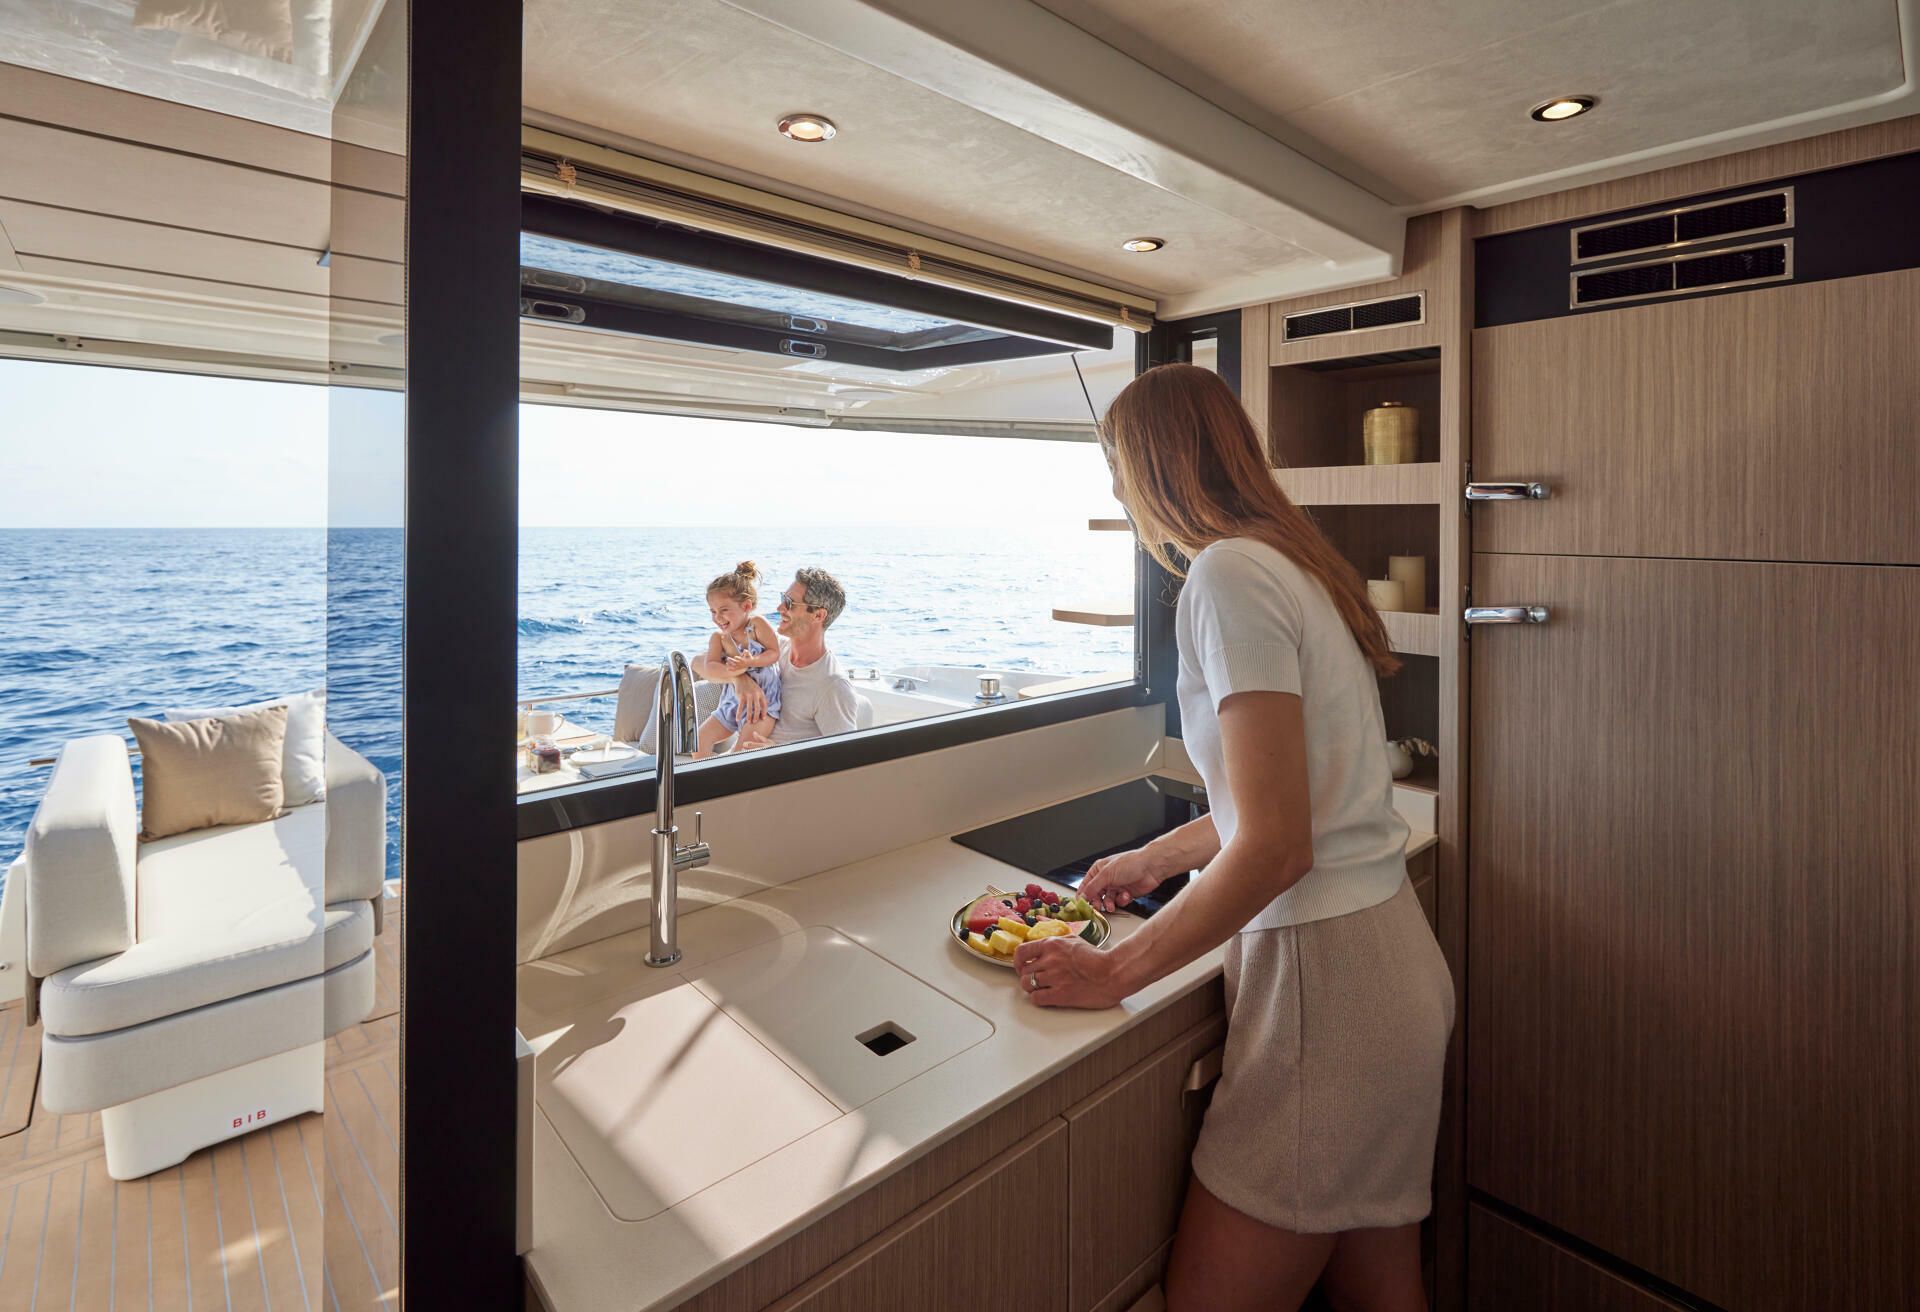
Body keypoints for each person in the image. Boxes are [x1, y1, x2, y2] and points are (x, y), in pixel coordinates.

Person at [1013, 364, 1454, 1312]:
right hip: (1385, 979)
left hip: (1327, 999)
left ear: (1152, 470)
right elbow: (1289, 802)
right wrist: (1152, 860)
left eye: (1117, 469)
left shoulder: (1225, 576)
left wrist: (1115, 975)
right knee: (1381, 1292)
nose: (1117, 493)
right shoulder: (1284, 561)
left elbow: (1279, 847)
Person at [729, 567, 859, 747]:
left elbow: (847, 758)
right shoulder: (773, 647)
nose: (780, 607)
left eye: (789, 603)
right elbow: (701, 663)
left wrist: (777, 754)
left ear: (818, 615)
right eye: (783, 598)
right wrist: (740, 679)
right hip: (736, 758)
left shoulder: (832, 686)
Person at [689, 561, 781, 756]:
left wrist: (751, 662)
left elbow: (774, 652)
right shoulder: (718, 638)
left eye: (724, 610)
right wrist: (736, 673)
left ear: (747, 606)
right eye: (713, 612)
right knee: (698, 742)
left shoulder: (756, 626)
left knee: (740, 754)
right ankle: (703, 782)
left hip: (762, 707)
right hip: (730, 704)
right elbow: (711, 666)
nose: (717, 618)